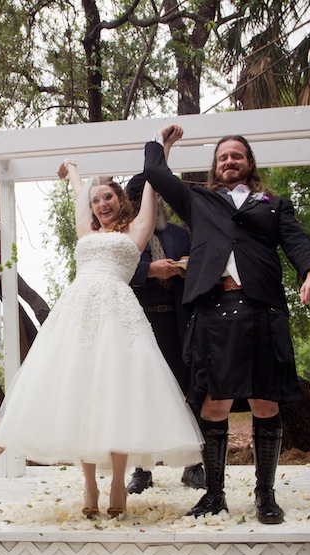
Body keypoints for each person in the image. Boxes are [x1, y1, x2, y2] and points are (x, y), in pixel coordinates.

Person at [0, 159, 203, 520]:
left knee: (116, 395)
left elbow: (151, 191)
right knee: (80, 393)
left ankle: (118, 480)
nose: (101, 204)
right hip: (76, 314)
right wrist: (73, 171)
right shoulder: (86, 233)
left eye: (108, 197)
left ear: (120, 200)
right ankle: (89, 483)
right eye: (96, 200)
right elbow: (78, 195)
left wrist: (159, 153)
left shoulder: (136, 231)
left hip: (118, 315)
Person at [144, 125, 310, 524]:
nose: (230, 161)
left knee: (266, 401)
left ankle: (265, 495)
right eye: (223, 157)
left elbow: (296, 242)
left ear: (249, 163)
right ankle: (214, 494)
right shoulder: (198, 201)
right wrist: (163, 143)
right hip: (213, 308)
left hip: (262, 309)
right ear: (215, 167)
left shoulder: (274, 204)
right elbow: (155, 175)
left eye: (236, 156)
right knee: (213, 404)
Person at [122, 176, 204, 494]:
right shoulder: (124, 236)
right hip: (140, 325)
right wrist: (150, 270)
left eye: (155, 198)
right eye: (145, 198)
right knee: (143, 395)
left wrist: (186, 267)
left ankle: (194, 465)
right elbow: (117, 270)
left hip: (179, 323)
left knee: (189, 392)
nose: (151, 204)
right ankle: (142, 469)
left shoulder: (180, 234)